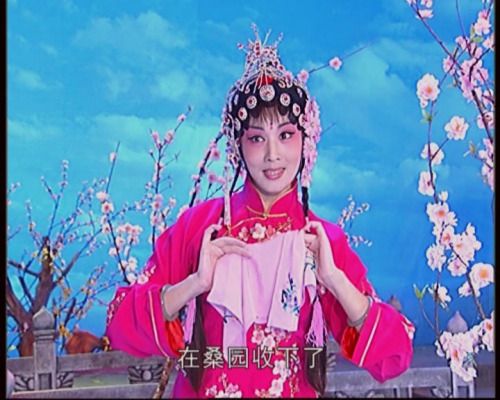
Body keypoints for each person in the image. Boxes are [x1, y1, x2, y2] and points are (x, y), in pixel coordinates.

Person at [105, 26, 415, 398]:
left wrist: (334, 280)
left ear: (306, 140)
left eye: (285, 135)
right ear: (238, 146)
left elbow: (394, 356)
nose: (272, 155)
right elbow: (119, 324)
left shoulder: (321, 240)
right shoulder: (201, 227)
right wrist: (195, 285)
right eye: (256, 138)